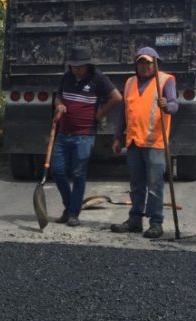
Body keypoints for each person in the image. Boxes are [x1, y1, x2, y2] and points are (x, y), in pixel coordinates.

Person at [109, 47, 178, 239]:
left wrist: (167, 105)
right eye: (141, 62)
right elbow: (123, 112)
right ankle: (135, 221)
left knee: (155, 185)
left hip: (154, 142)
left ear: (156, 63)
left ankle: (156, 223)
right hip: (133, 142)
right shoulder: (130, 82)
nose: (144, 66)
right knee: (136, 184)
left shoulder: (165, 80)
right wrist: (117, 137)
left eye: (148, 62)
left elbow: (174, 105)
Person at [50, 46, 121, 226]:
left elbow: (117, 98)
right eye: (73, 66)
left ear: (88, 65)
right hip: (63, 133)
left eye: (79, 66)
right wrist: (60, 106)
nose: (76, 69)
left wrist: (99, 115)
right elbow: (58, 96)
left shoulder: (98, 78)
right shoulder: (67, 77)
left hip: (84, 135)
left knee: (78, 172)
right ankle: (69, 206)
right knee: (57, 171)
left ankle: (73, 213)